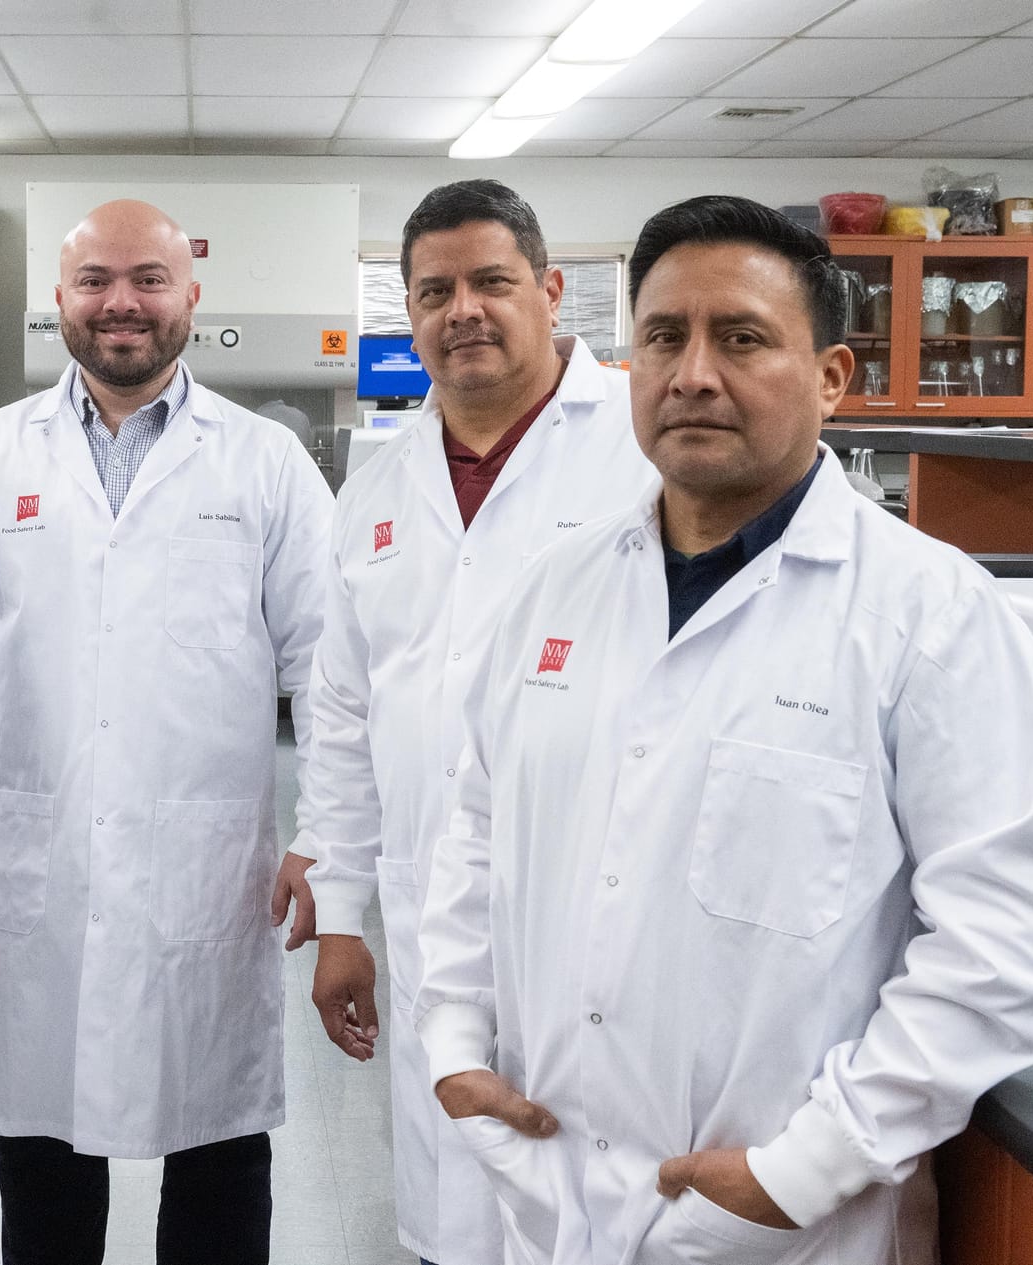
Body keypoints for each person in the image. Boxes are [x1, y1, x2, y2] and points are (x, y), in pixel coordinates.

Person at [415, 195, 1033, 1265]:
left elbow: (1009, 947)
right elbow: (474, 835)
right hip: (546, 1198)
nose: (690, 373)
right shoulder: (554, 591)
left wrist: (803, 1169)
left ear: (830, 378)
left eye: (739, 338)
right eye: (661, 337)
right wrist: (452, 1042)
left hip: (781, 1225)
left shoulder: (928, 614)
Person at [0, 198, 333, 1265]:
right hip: (31, 847)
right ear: (57, 301)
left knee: (218, 1150)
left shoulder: (264, 462)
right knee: (44, 1152)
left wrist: (322, 834)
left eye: (147, 279)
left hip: (202, 862)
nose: (122, 303)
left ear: (191, 295)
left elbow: (328, 668)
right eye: (95, 280)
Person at [299, 178, 651, 1265]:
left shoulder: (640, 451)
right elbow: (344, 710)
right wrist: (344, 910)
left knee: (594, 1200)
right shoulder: (380, 482)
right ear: (406, 314)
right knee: (455, 1202)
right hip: (423, 899)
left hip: (606, 907)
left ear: (550, 293)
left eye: (491, 281)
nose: (463, 310)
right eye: (433, 290)